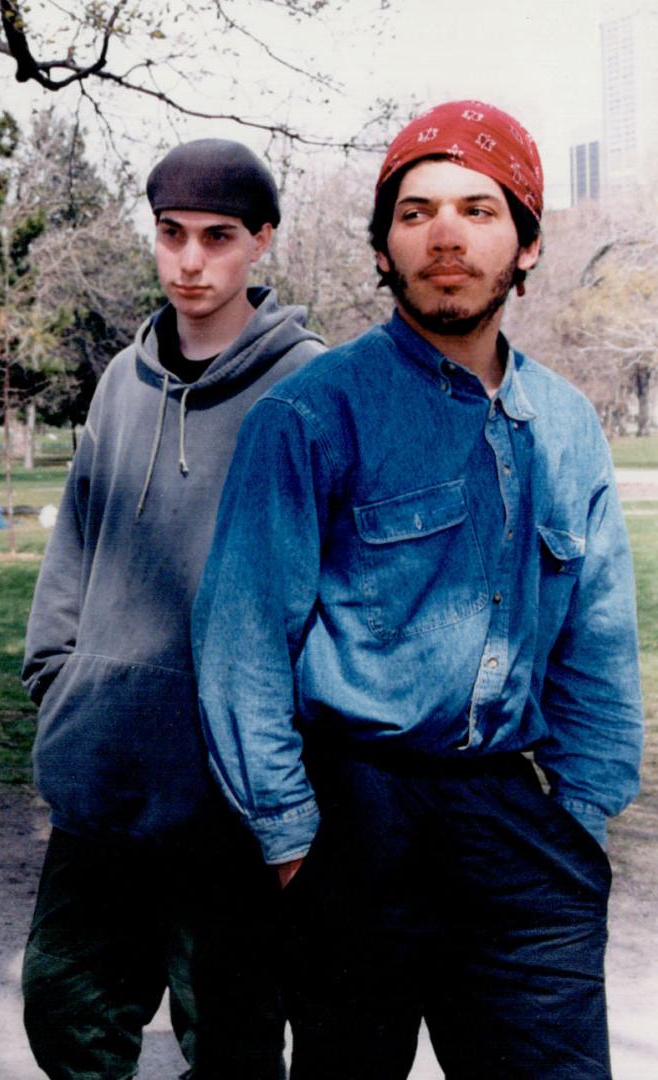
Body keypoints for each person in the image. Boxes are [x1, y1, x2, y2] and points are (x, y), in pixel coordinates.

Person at [193, 100, 642, 1080]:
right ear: (384, 248)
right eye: (415, 211)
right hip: (353, 825)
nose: (444, 234)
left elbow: (600, 644)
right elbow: (238, 644)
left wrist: (582, 808)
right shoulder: (312, 416)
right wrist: (288, 837)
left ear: (526, 245)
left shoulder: (568, 429)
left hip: (522, 829)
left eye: (480, 211)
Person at [20, 138, 323, 1080]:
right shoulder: (121, 379)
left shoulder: (309, 387)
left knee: (232, 1043)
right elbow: (76, 538)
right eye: (171, 234)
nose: (192, 261)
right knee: (66, 1014)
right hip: (104, 768)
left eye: (218, 237)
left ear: (260, 242)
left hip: (229, 792)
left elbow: (335, 587)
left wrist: (286, 761)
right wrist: (59, 677)